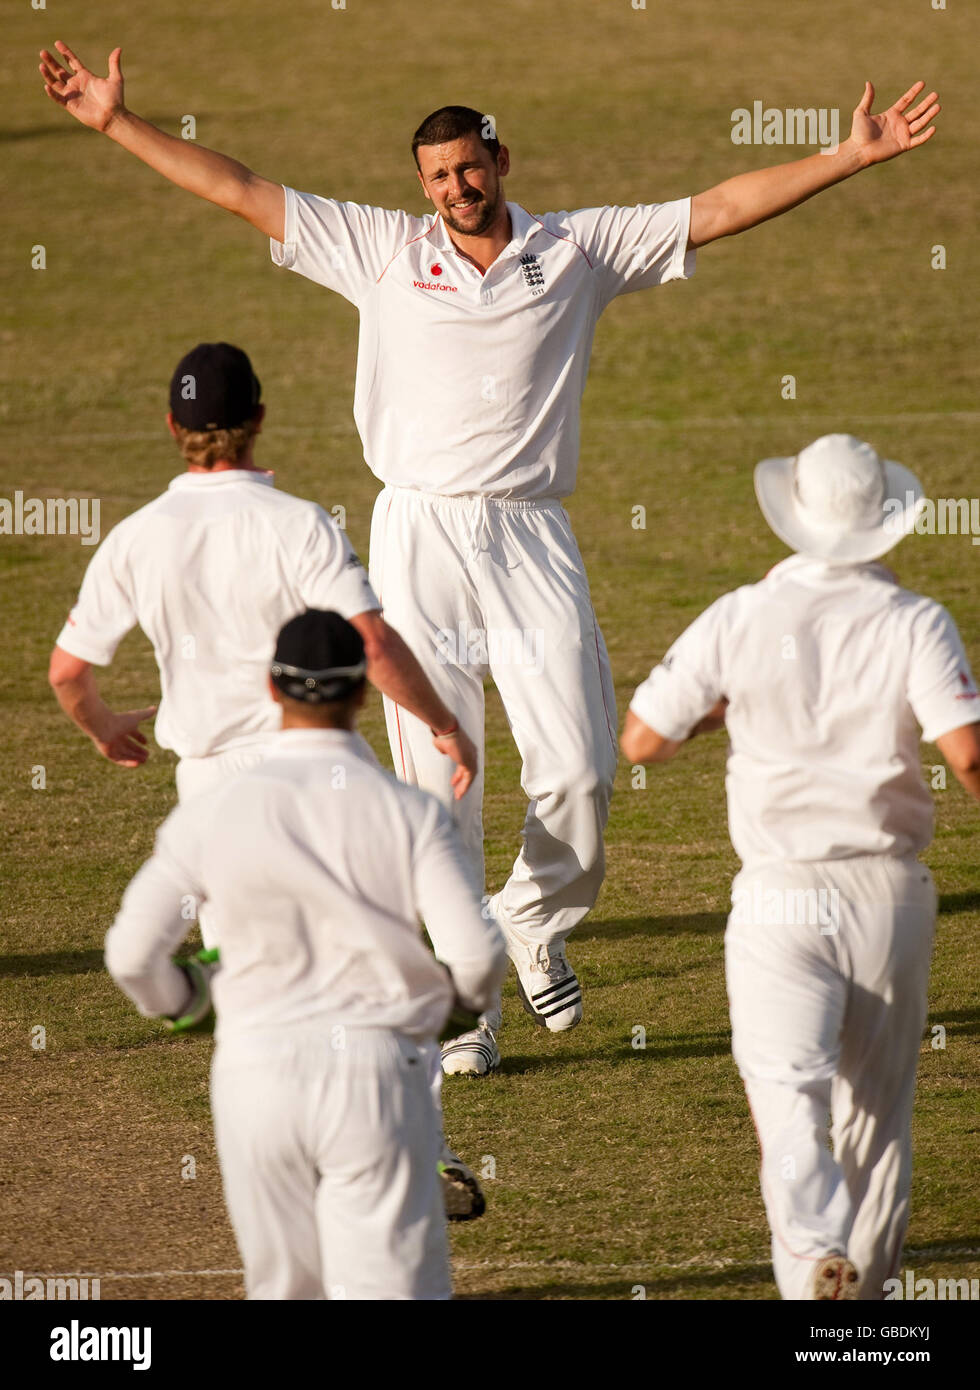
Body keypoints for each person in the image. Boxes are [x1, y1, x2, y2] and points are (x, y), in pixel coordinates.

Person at [39, 40, 941, 1076]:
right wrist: (112, 123)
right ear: (418, 188)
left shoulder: (576, 248)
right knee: (438, 778)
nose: (455, 188)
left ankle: (533, 915)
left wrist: (846, 157)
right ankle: (465, 1007)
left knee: (580, 765)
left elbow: (718, 207)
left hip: (527, 529)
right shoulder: (379, 248)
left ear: (499, 161)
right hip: (416, 527)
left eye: (469, 167)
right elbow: (239, 187)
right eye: (436, 177)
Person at [49, 342, 485, 1219]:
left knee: (258, 989)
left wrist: (106, 732)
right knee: (374, 965)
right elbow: (369, 643)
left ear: (173, 428)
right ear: (258, 420)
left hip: (214, 795)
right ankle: (418, 1149)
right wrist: (441, 724)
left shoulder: (139, 538)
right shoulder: (298, 524)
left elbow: (68, 671)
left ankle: (294, 1184)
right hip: (322, 764)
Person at [621, 434, 980, 1300]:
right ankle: (869, 1305)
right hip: (890, 896)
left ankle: (817, 1261)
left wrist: (725, 710)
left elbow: (642, 739)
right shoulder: (916, 622)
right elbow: (967, 755)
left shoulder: (741, 616)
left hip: (782, 895)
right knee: (878, 1124)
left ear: (793, 516)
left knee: (788, 1094)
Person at [105, 610, 509, 1299]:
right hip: (377, 1075)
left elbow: (132, 956)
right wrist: (446, 1012)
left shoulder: (213, 812)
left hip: (255, 1074)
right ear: (361, 694)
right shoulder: (408, 812)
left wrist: (190, 1002)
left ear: (271, 688)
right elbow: (473, 955)